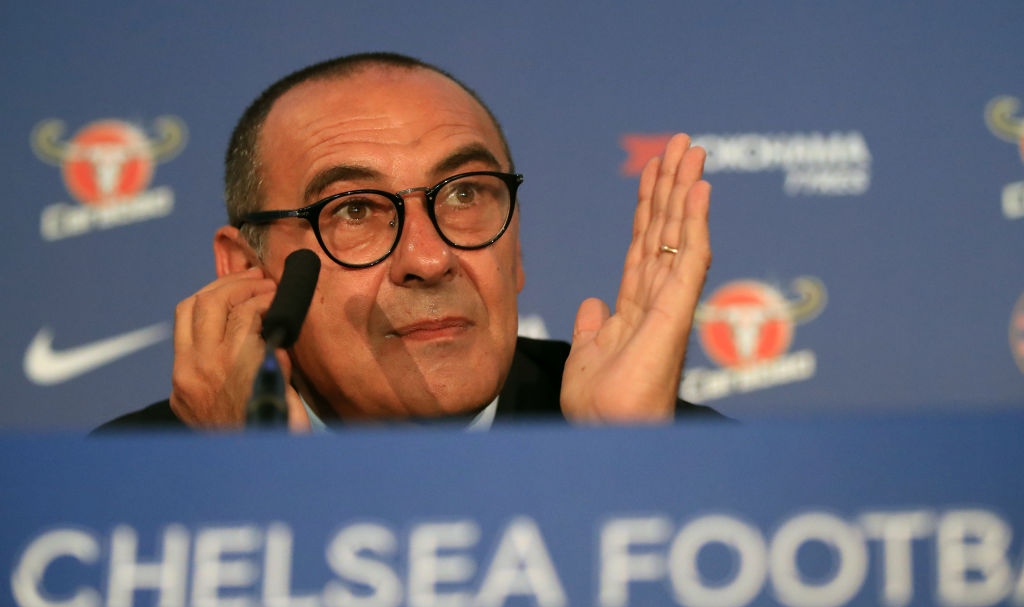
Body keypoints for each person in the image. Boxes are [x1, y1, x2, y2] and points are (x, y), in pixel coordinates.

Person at [99, 52, 716, 431]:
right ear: (246, 269)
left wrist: (626, 473)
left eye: (465, 195)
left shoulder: (657, 441)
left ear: (516, 246)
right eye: (355, 210)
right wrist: (242, 483)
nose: (429, 258)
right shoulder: (131, 479)